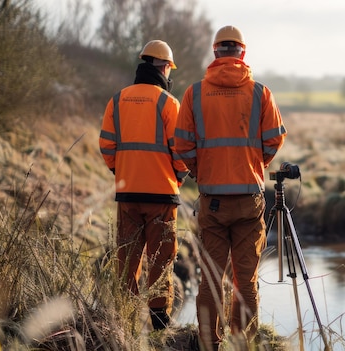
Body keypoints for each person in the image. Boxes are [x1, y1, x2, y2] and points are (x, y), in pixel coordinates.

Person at [175, 25, 287, 350]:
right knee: (246, 282)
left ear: (215, 53)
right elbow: (274, 139)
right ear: (242, 53)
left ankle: (210, 344)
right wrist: (255, 165)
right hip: (250, 201)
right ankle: (242, 345)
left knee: (210, 280)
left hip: (212, 202)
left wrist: (202, 171)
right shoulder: (260, 93)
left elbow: (182, 146)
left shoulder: (194, 94)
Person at [99, 39, 188, 331]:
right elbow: (180, 150)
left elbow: (107, 146)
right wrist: (180, 176)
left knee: (127, 260)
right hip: (161, 195)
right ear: (164, 67)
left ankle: (124, 323)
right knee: (161, 260)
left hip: (127, 194)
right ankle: (160, 325)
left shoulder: (117, 99)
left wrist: (122, 171)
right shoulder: (167, 102)